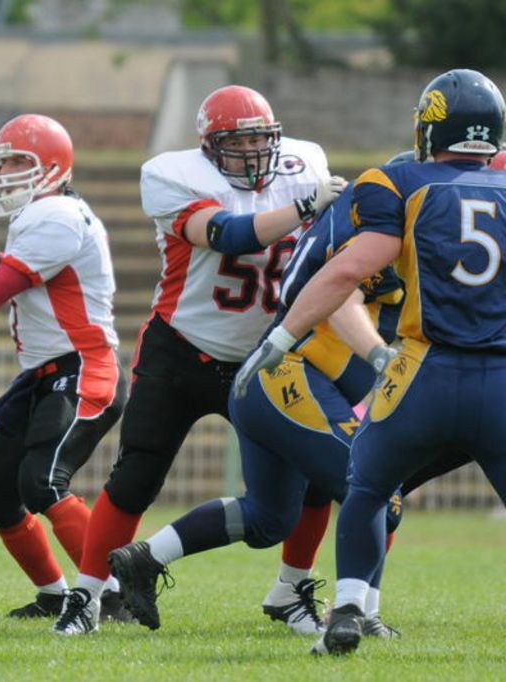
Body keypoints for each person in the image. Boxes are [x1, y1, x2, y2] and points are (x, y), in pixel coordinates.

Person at [51, 85, 346, 635]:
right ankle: (87, 598)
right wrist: (305, 206)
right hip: (183, 347)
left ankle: (292, 590)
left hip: (266, 358)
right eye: (238, 142)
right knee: (135, 477)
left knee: (314, 478)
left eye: (260, 139)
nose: (252, 152)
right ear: (209, 146)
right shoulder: (172, 175)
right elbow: (226, 235)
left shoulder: (304, 163)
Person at [233, 68, 506, 656]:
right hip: (500, 381)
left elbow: (348, 271)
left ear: (431, 127)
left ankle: (352, 608)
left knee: (368, 485)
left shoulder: (398, 181)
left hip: (425, 373)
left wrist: (282, 338)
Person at [106, 155, 417, 636]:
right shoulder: (379, 234)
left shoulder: (380, 223)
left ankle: (146, 557)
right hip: (288, 376)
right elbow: (342, 299)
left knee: (268, 518)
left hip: (271, 380)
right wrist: (380, 359)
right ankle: (361, 613)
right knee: (377, 490)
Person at [0, 114, 129, 631]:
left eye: (17, 162)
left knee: (43, 482)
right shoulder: (43, 214)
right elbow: (20, 278)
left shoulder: (56, 217)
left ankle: (116, 593)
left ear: (53, 168)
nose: (5, 172)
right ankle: (54, 595)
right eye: (3, 161)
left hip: (83, 367)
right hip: (44, 375)